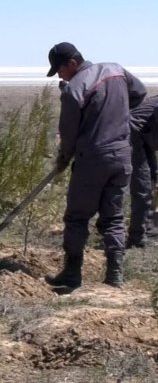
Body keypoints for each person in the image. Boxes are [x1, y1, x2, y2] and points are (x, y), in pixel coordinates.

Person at [44, 42, 147, 293]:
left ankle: (71, 275)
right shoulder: (116, 69)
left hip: (92, 159)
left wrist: (64, 157)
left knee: (77, 217)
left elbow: (68, 133)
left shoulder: (74, 90)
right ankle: (115, 276)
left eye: (59, 69)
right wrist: (118, 114)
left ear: (72, 63)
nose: (59, 75)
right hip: (122, 156)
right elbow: (140, 93)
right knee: (113, 217)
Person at [128, 95, 158, 247]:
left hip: (144, 137)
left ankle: (148, 227)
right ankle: (137, 237)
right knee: (143, 186)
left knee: (152, 179)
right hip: (133, 136)